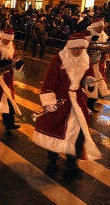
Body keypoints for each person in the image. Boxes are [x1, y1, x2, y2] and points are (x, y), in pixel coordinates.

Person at [32, 33, 102, 176]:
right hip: (60, 101)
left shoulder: (85, 59)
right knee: (55, 131)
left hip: (78, 101)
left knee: (78, 133)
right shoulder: (59, 59)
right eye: (75, 49)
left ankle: (72, 162)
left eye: (81, 48)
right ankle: (52, 160)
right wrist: (49, 101)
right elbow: (49, 81)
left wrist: (88, 82)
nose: (78, 51)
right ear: (69, 47)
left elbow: (88, 77)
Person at [85, 18, 109, 112]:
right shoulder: (87, 33)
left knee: (99, 85)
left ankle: (91, 105)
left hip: (98, 63)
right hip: (87, 65)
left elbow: (105, 49)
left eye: (102, 26)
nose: (102, 28)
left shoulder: (103, 35)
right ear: (95, 26)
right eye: (100, 26)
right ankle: (86, 105)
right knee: (90, 85)